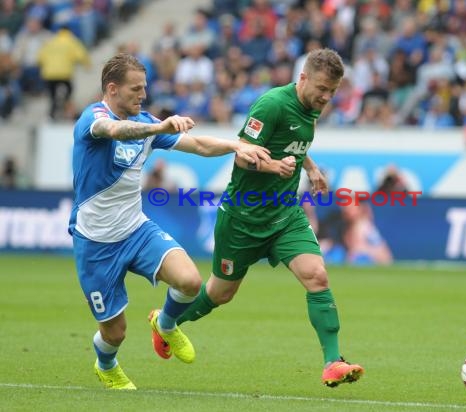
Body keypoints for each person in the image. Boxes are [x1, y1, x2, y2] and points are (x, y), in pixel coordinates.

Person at [161, 48, 365, 387]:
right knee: (220, 294)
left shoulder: (310, 107)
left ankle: (332, 362)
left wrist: (310, 169)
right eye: (322, 89)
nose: (327, 97)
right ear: (302, 79)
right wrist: (273, 166)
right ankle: (167, 321)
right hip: (243, 218)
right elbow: (241, 155)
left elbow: (295, 141)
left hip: (285, 215)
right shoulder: (271, 105)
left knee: (316, 275)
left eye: (333, 91)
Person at [68, 53, 270, 390]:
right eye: (135, 89)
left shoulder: (145, 122)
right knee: (114, 333)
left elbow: (199, 145)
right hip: (96, 242)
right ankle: (106, 364)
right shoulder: (94, 118)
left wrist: (237, 145)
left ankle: (165, 324)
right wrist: (158, 126)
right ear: (112, 89)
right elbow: (114, 130)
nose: (142, 95)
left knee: (190, 281)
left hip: (136, 230)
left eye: (144, 88)